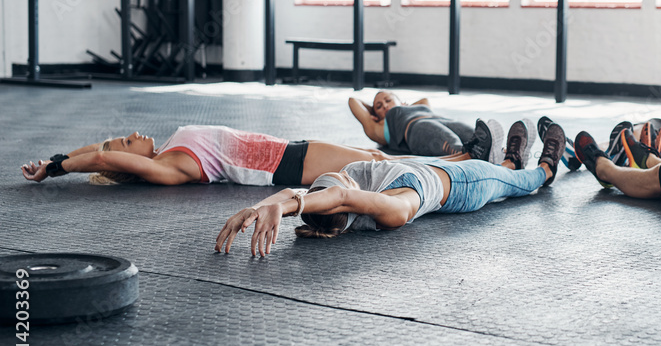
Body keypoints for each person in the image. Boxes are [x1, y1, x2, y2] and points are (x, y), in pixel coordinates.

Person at [215, 120, 567, 256]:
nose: (338, 176)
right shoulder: (391, 211)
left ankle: (509, 161)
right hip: (466, 183)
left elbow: (313, 196)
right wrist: (294, 206)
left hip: (427, 167)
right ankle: (545, 169)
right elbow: (334, 196)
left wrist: (261, 207)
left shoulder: (344, 189)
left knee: (503, 169)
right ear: (344, 203)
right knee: (519, 183)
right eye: (336, 186)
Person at [19, 124, 491, 187]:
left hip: (289, 149)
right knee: (383, 165)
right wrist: (58, 169)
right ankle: (470, 162)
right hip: (286, 166)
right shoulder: (169, 166)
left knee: (373, 152)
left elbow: (99, 151)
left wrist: (59, 154)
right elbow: (104, 159)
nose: (134, 136)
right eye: (127, 140)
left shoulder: (166, 149)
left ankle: (463, 159)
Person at [349, 91, 507, 160]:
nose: (384, 105)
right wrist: (374, 113)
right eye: (378, 106)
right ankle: (477, 157)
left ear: (400, 101)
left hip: (442, 120)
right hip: (415, 129)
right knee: (454, 143)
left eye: (388, 100)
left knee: (476, 135)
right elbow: (352, 101)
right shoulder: (378, 127)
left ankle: (502, 153)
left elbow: (424, 100)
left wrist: (403, 105)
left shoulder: (419, 106)